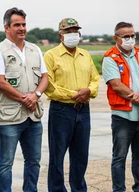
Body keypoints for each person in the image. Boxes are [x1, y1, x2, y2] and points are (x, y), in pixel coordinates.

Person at [0, 7, 48, 192]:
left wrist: (36, 95)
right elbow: (0, 82)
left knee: (34, 161)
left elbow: (45, 77)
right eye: (17, 25)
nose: (22, 28)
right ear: (7, 28)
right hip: (10, 119)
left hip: (33, 117)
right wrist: (25, 98)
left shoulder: (35, 49)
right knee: (5, 163)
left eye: (23, 24)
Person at [44, 18, 100, 191]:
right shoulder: (51, 55)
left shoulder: (85, 55)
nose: (72, 35)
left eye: (75, 31)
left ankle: (78, 188)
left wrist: (89, 91)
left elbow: (95, 79)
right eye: (68, 32)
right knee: (57, 156)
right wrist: (75, 94)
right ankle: (57, 189)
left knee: (80, 156)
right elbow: (50, 86)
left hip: (83, 111)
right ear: (61, 36)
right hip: (61, 110)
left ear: (80, 34)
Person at [102, 22, 139, 192]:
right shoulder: (110, 58)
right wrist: (135, 97)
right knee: (120, 157)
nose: (130, 39)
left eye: (132, 35)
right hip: (123, 116)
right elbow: (116, 85)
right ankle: (119, 190)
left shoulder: (138, 53)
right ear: (116, 38)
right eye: (126, 36)